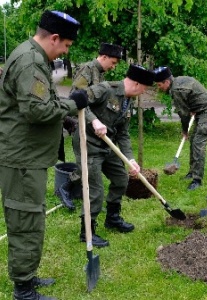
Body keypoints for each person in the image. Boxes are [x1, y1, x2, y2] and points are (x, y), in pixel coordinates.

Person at [0, 10, 88, 300]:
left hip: (29, 156)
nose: (65, 51)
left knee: (32, 217)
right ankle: (23, 290)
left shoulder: (34, 57)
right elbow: (36, 110)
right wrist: (70, 105)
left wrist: (61, 117)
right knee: (25, 220)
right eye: (65, 46)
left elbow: (39, 100)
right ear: (53, 38)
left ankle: (28, 276)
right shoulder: (30, 61)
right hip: (22, 158)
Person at [71, 64, 154, 248]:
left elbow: (123, 134)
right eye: (145, 88)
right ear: (137, 83)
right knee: (95, 191)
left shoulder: (127, 101)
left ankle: (113, 218)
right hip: (89, 144)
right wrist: (94, 121)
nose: (144, 92)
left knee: (121, 179)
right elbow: (77, 99)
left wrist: (130, 159)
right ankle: (87, 232)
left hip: (107, 146)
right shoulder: (105, 89)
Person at [58, 42, 124, 210]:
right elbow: (76, 97)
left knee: (92, 163)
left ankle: (90, 197)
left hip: (92, 125)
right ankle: (64, 188)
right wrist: (93, 119)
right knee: (86, 163)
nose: (113, 67)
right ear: (104, 57)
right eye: (113, 62)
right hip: (81, 122)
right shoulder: (87, 70)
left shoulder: (100, 73)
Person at [153, 66, 207, 190]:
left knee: (198, 145)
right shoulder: (179, 81)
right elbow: (190, 99)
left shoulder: (176, 89)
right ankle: (192, 172)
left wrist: (185, 130)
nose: (159, 88)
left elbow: (183, 113)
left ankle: (197, 179)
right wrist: (192, 107)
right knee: (193, 142)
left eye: (160, 85)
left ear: (167, 82)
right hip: (199, 110)